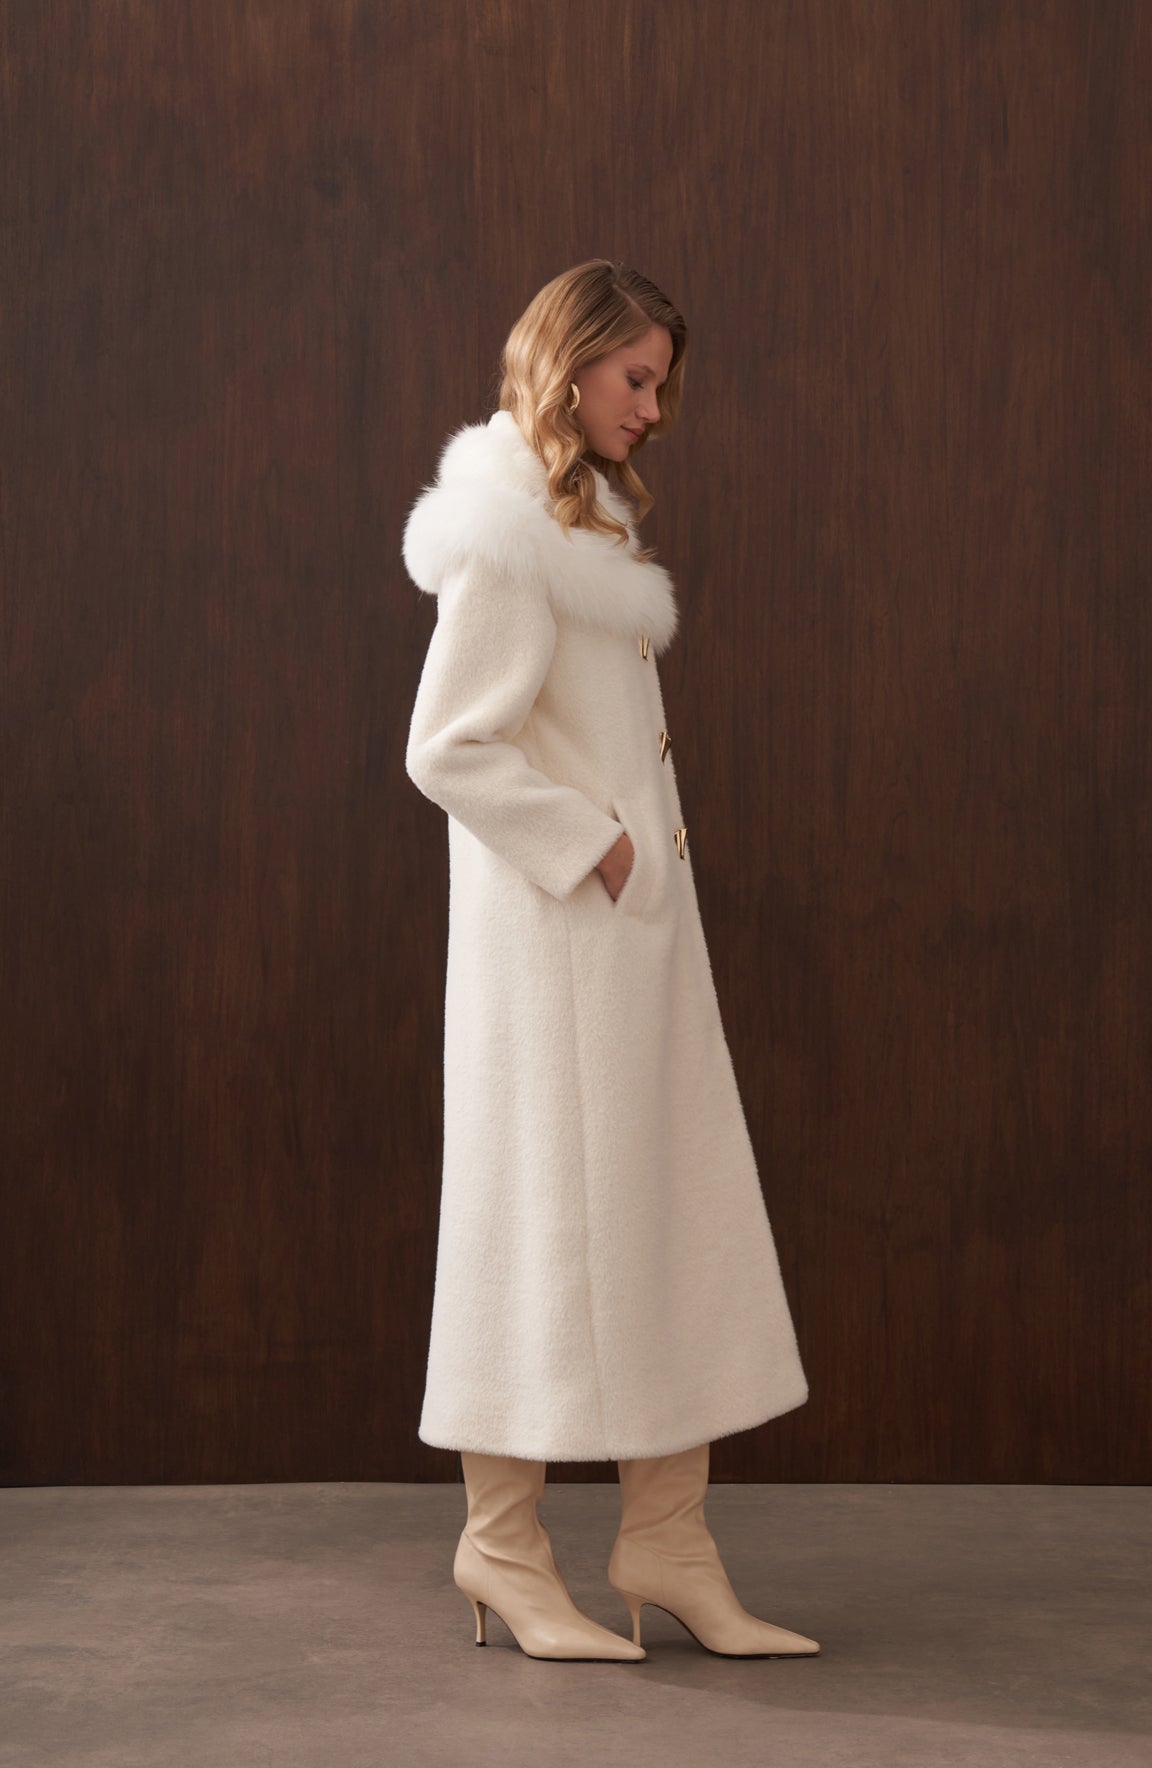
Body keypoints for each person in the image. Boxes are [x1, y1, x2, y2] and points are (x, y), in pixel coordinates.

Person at [402, 258, 819, 1662]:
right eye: (636, 378)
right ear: (570, 363)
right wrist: (597, 845)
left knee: (668, 1219)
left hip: (625, 956)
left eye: (661, 383)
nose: (653, 407)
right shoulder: (512, 535)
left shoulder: (583, 521)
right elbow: (448, 747)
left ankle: (668, 1541)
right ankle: (502, 1545)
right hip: (558, 960)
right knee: (529, 1233)